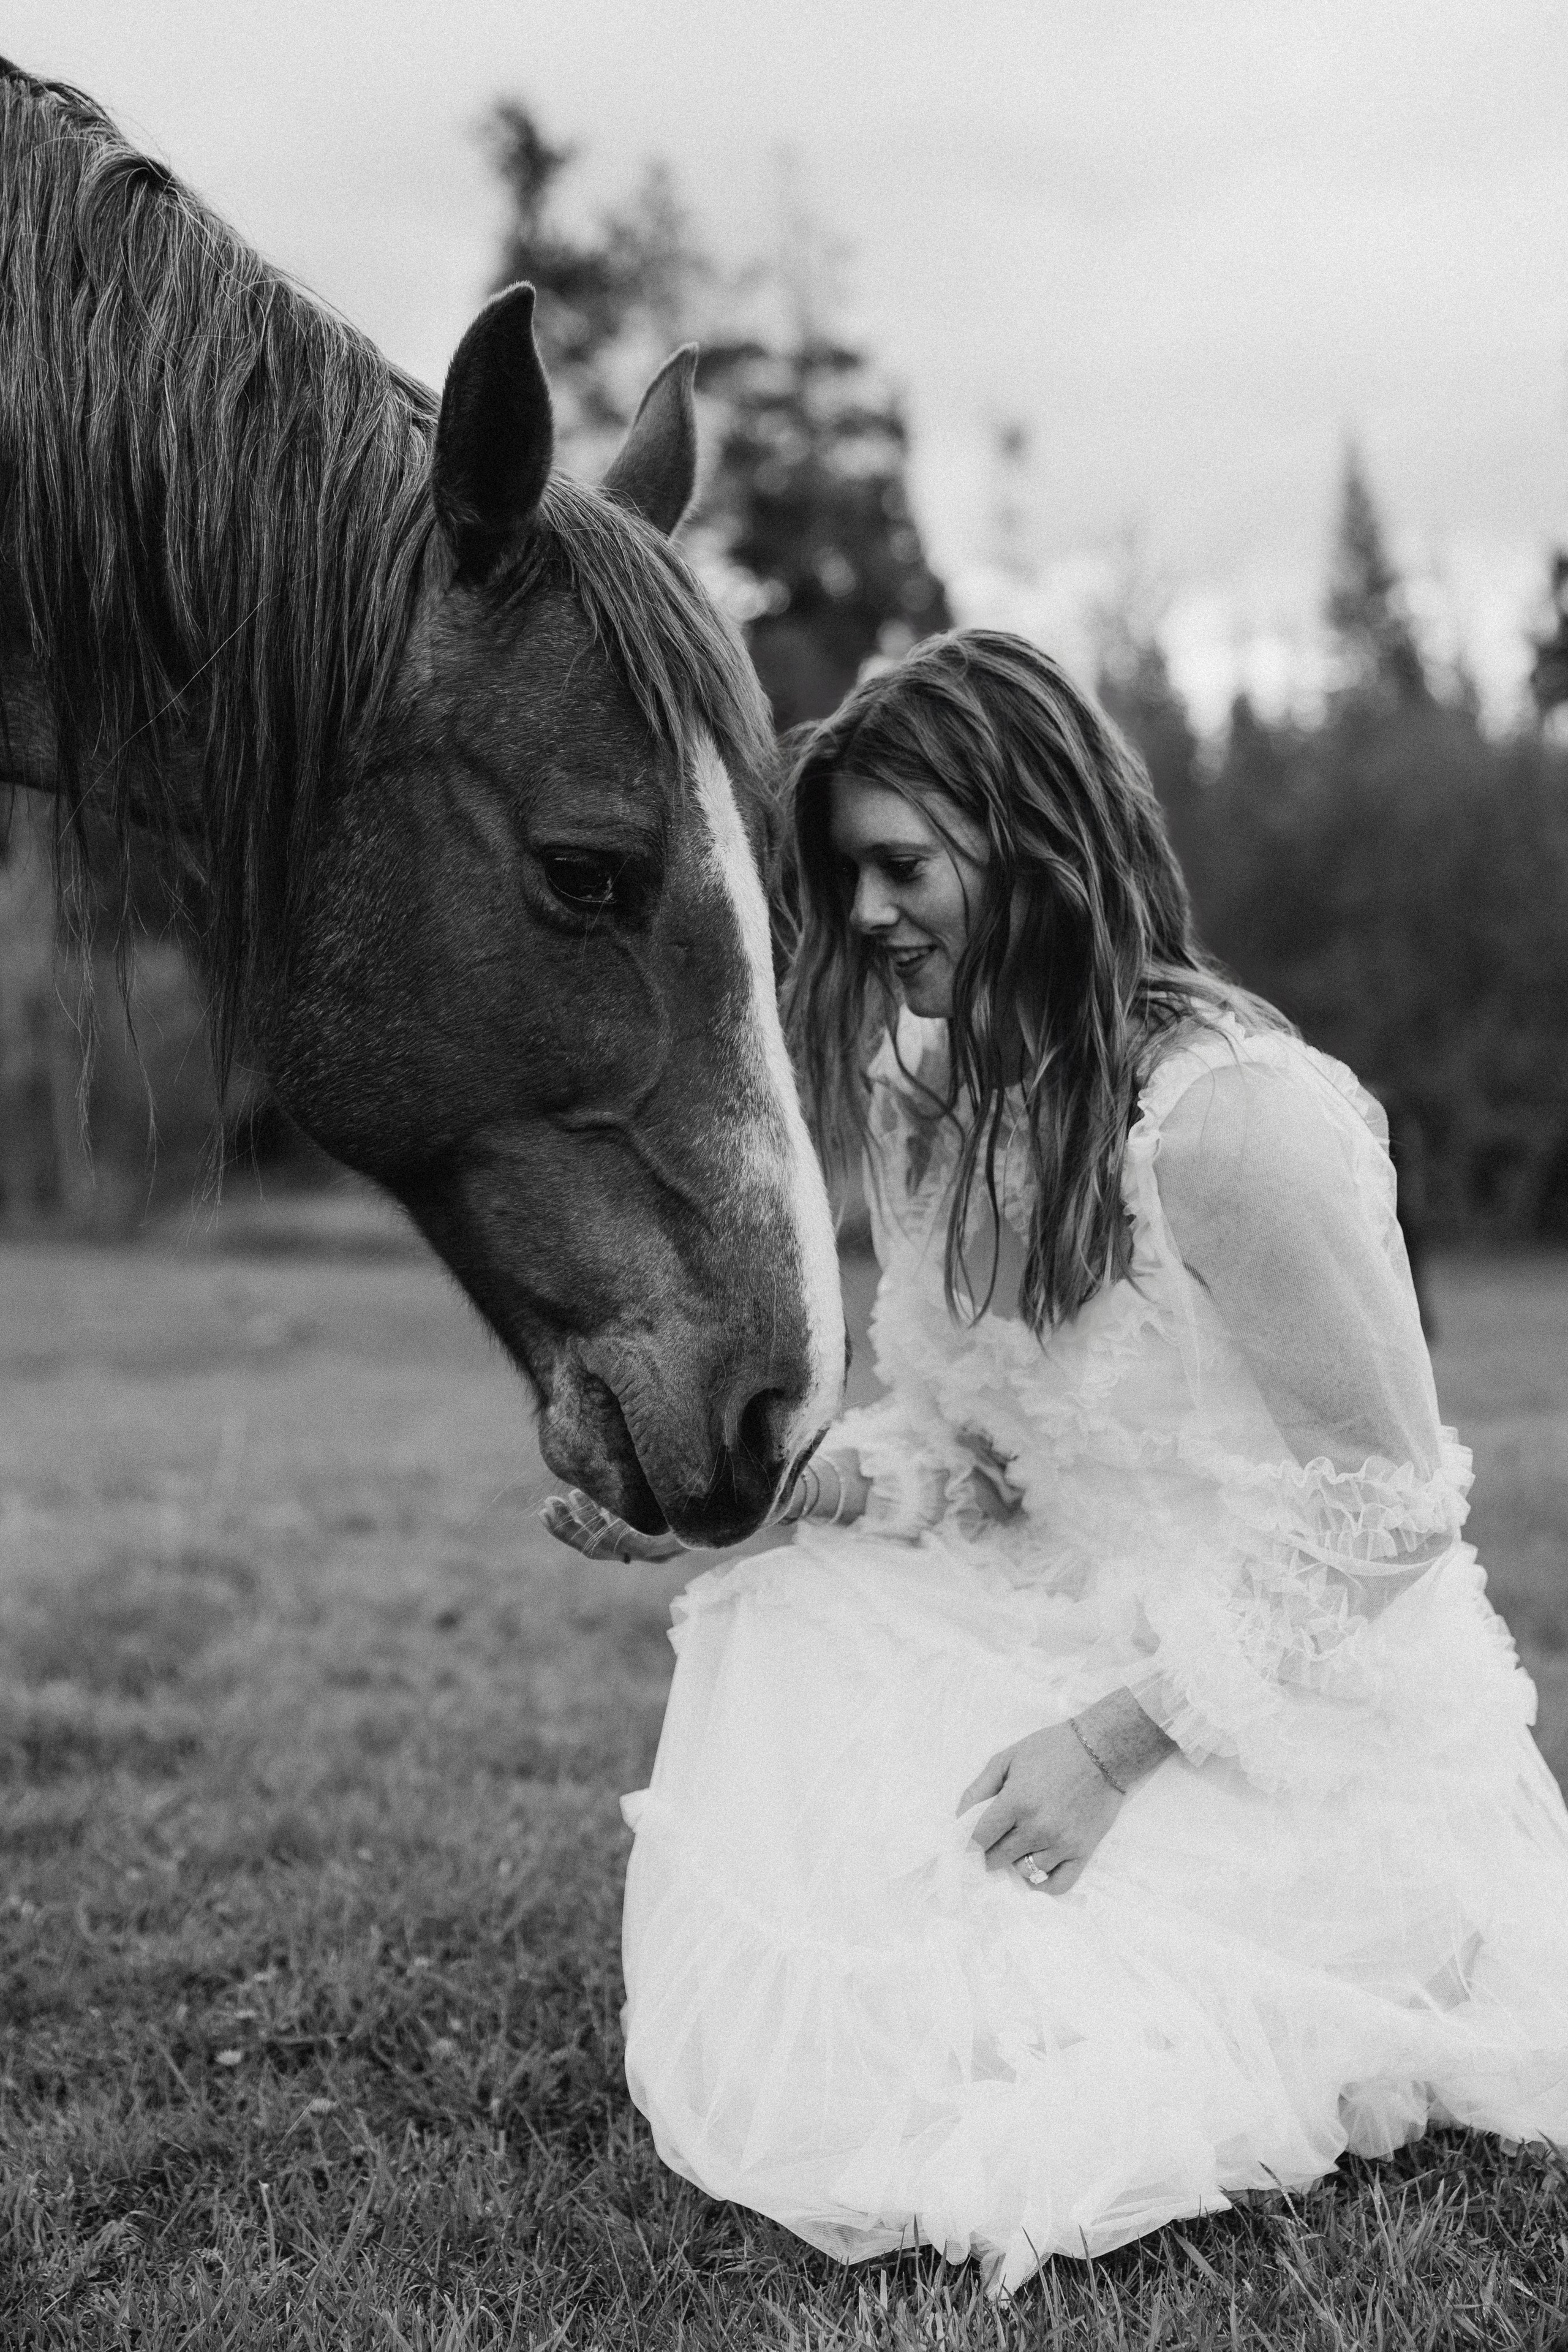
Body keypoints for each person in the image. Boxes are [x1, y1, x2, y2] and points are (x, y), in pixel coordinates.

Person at [544, 630, 1568, 2296]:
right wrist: (711, 1499)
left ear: (1037, 843)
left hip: (1285, 1692)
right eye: (846, 874)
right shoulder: (926, 1090)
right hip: (1054, 1604)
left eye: (902, 865)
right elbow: (956, 1437)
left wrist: (1116, 1744)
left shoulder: (1236, 1123)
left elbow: (1389, 1513)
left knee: (1039, 1989)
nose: (866, 915)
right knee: (812, 1661)